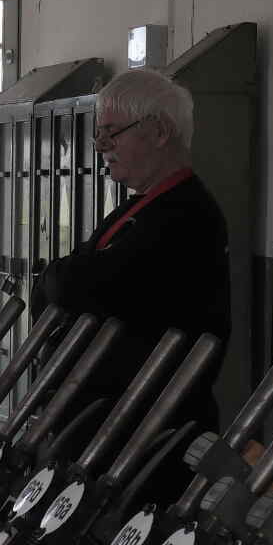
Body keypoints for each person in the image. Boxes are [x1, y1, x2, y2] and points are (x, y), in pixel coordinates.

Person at [33, 68, 230, 457]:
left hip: (142, 439)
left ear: (159, 131)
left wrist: (58, 280)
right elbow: (62, 285)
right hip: (102, 429)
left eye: (111, 133)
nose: (100, 146)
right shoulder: (141, 207)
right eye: (98, 134)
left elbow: (79, 285)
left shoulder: (185, 215)